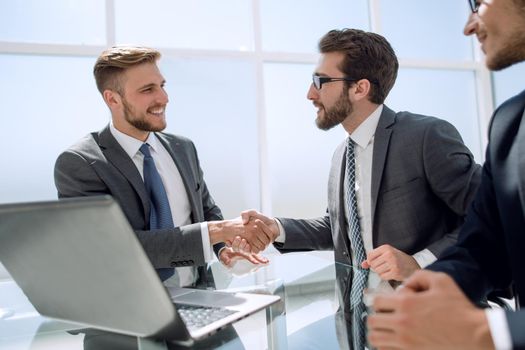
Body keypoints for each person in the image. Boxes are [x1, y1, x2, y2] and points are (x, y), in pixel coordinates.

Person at [241, 28, 481, 349]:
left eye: (320, 82)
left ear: (360, 88)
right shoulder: (342, 154)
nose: (310, 94)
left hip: (424, 324)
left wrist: (419, 262)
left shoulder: (425, 136)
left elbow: (484, 218)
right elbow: (337, 228)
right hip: (358, 324)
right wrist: (276, 228)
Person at [367, 1, 525, 349]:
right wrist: (427, 292)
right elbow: (482, 247)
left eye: (479, 3)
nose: (468, 27)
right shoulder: (509, 125)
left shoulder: (425, 135)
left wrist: (493, 334)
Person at [54, 46, 272, 288]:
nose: (163, 98)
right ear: (112, 99)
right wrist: (218, 231)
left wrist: (222, 249)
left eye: (162, 86)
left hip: (202, 297)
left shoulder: (183, 148)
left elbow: (206, 210)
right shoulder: (80, 163)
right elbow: (110, 248)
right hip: (133, 314)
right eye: (148, 89)